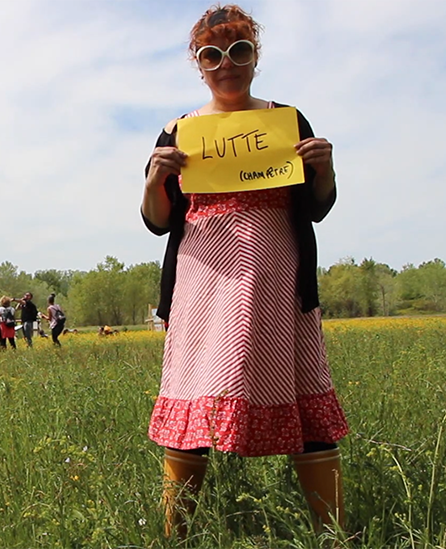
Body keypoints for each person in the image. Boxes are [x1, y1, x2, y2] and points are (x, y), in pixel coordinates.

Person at [139, 5, 347, 538]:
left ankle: (332, 535)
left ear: (255, 58)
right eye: (212, 55)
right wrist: (153, 181)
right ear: (198, 65)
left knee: (300, 390)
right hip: (202, 284)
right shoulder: (178, 131)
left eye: (239, 51)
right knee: (196, 396)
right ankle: (177, 536)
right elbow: (157, 221)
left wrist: (324, 171)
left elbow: (317, 205)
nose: (226, 64)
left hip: (278, 281)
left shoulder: (287, 121)